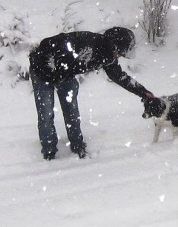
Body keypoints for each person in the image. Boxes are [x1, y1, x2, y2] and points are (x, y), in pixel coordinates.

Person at [28, 26, 154, 160]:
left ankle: (77, 145)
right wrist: (50, 72)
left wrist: (143, 92)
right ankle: (49, 150)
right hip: (41, 72)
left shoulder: (108, 56)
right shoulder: (87, 43)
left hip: (65, 75)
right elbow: (47, 45)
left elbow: (118, 76)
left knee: (72, 112)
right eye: (119, 52)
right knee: (46, 114)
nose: (119, 56)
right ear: (113, 45)